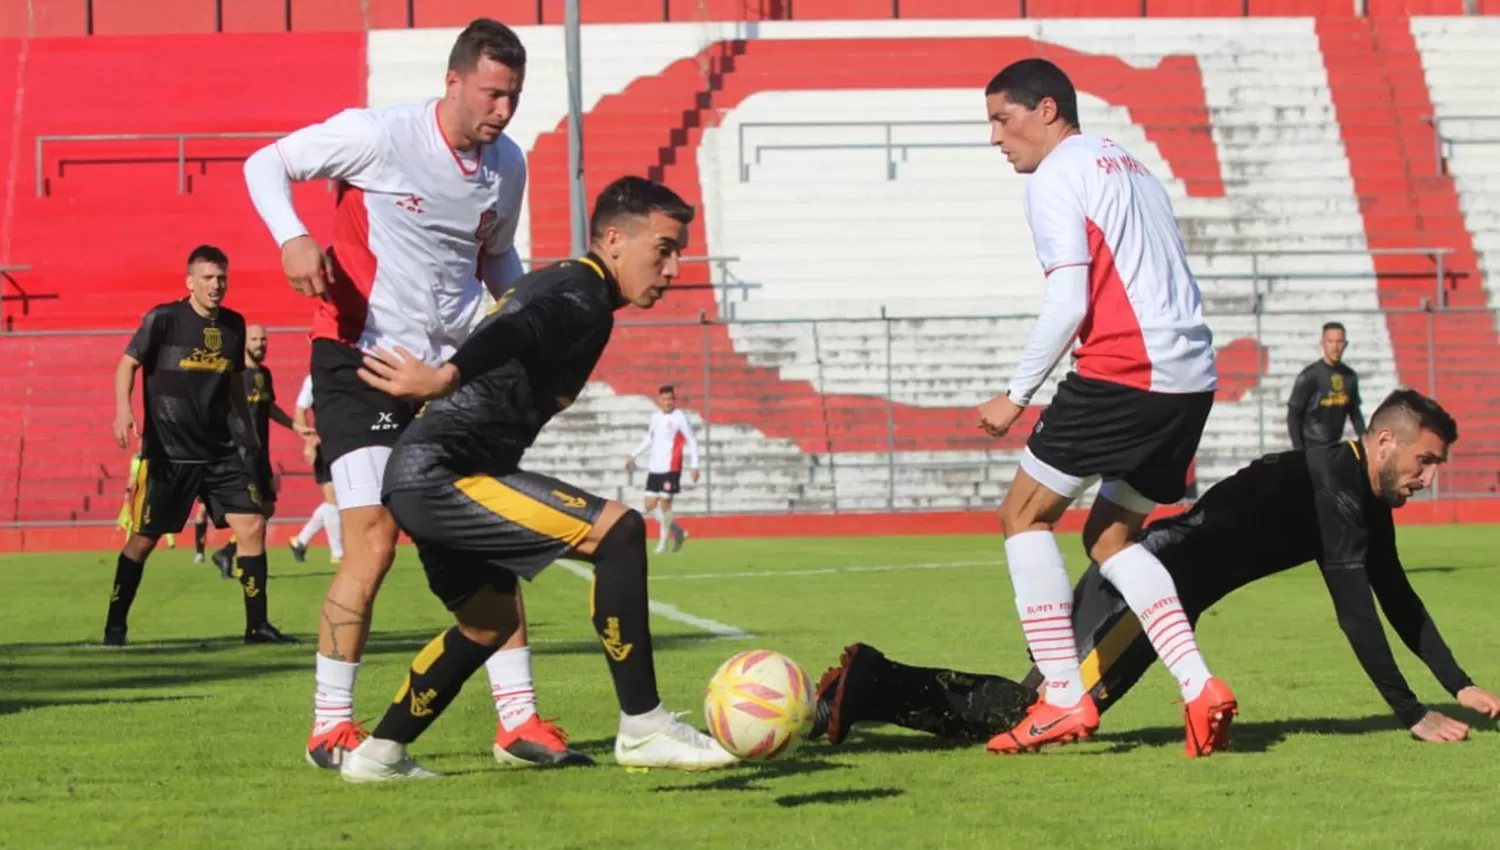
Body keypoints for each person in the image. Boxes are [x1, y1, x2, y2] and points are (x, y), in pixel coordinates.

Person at [813, 389, 1500, 750]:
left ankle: (867, 687)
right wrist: (1410, 711)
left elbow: (1395, 594)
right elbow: (1356, 608)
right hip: (1146, 592)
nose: (1429, 477)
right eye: (1426, 462)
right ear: (1385, 441)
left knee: (1044, 705)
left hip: (1152, 584)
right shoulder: (1342, 490)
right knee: (1038, 712)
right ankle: (869, 683)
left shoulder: (1355, 485)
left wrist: (1458, 683)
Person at [244, 17, 569, 770]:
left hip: (445, 373)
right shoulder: (380, 136)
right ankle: (331, 728)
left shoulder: (506, 165)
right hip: (359, 362)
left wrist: (523, 321)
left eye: (513, 97)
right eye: (492, 93)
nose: (502, 111)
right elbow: (267, 162)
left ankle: (518, 725)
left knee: (480, 535)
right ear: (454, 80)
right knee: (375, 541)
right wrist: (291, 236)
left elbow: (496, 258)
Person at [338, 176, 737, 782]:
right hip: (443, 475)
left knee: (487, 625)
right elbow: (516, 330)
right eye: (663, 248)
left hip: (428, 476)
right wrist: (446, 377)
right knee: (622, 532)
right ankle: (644, 724)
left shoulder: (568, 285)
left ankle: (379, 754)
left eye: (678, 250)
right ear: (613, 240)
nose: (675, 266)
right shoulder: (581, 294)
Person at [974, 58, 1233, 755]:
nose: (997, 136)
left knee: (1022, 516)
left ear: (1049, 109)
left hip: (1126, 371)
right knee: (1111, 540)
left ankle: (1062, 695)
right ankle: (1199, 685)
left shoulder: (1059, 174)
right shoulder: (1130, 165)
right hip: (1190, 382)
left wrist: (1015, 394)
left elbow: (1070, 297)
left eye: (1004, 118)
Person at [105, 245, 296, 646]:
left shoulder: (234, 325)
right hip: (169, 453)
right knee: (142, 540)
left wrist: (248, 432)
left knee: (252, 526)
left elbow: (232, 384)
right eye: (208, 277)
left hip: (220, 451)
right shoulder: (163, 319)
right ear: (190, 281)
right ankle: (115, 626)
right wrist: (123, 410)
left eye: (221, 277)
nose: (216, 285)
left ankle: (256, 627)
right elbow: (128, 362)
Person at [210, 323, 303, 577]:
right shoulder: (234, 375)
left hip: (261, 453)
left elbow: (269, 408)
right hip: (241, 454)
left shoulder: (265, 374)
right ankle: (247, 566)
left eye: (263, 340)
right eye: (255, 340)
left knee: (268, 508)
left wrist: (296, 426)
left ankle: (226, 552)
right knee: (252, 514)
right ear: (244, 343)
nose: (260, 344)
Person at [625, 385, 700, 554]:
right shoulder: (655, 417)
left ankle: (662, 544)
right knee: (649, 505)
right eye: (665, 399)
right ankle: (678, 531)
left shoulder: (679, 417)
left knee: (665, 506)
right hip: (655, 469)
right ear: (659, 400)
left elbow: (692, 440)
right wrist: (633, 455)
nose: (668, 402)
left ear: (675, 400)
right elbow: (649, 439)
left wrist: (695, 466)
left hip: (670, 468)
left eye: (671, 399)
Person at [288, 375, 344, 565]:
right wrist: (310, 441)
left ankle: (300, 541)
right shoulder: (314, 379)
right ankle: (337, 553)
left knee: (336, 502)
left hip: (346, 445)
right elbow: (299, 410)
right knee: (332, 501)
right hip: (325, 446)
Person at [1288, 321, 1366, 450]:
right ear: (1322, 344)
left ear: (1345, 344)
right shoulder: (1309, 376)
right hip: (1311, 447)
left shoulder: (1350, 376)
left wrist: (1364, 439)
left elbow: (1355, 413)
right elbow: (1293, 414)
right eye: (1330, 341)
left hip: (1334, 447)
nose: (1335, 347)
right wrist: (1298, 451)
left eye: (1339, 342)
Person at [118, 452, 175, 550]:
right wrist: (128, 491)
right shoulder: (136, 458)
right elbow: (132, 476)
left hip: (151, 492)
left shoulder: (153, 458)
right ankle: (128, 543)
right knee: (135, 518)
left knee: (159, 516)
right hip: (139, 493)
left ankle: (171, 542)